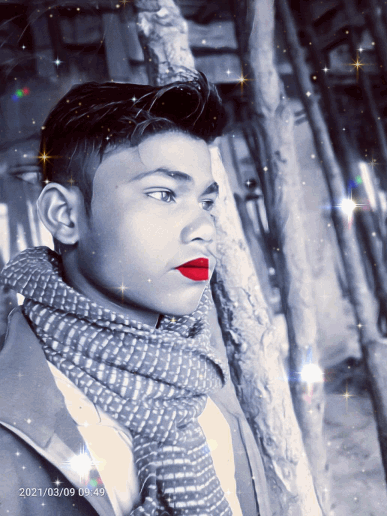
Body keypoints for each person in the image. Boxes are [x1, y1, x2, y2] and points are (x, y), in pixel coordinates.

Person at [0, 72, 270, 516]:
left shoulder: (198, 373)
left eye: (206, 202)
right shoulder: (12, 427)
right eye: (164, 194)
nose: (204, 227)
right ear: (64, 215)